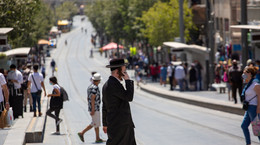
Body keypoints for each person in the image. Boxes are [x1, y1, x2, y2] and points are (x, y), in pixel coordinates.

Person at [102, 58, 136, 145]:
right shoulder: (113, 85)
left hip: (117, 124)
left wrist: (105, 124)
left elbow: (104, 106)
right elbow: (129, 97)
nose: (126, 73)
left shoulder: (108, 84)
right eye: (124, 70)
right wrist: (128, 81)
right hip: (120, 125)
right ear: (118, 70)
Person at [78, 73, 105, 143]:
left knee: (96, 123)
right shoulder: (95, 88)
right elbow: (93, 97)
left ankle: (97, 138)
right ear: (98, 80)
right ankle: (82, 133)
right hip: (95, 108)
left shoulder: (90, 87)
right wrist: (93, 109)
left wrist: (90, 107)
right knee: (94, 123)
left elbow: (88, 98)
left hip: (92, 107)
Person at [240, 66, 260, 145]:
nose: (243, 74)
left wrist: (258, 108)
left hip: (253, 107)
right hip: (248, 108)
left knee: (257, 129)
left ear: (250, 73)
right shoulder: (249, 83)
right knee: (244, 126)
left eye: (244, 73)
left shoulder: (255, 84)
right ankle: (248, 143)